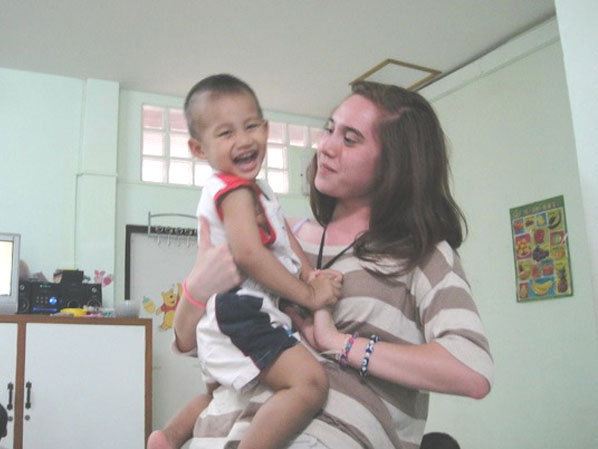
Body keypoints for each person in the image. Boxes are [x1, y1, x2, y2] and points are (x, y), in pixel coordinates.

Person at [172, 80, 495, 449]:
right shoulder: (277, 236)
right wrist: (195, 291)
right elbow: (193, 343)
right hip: (217, 435)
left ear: (395, 163)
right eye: (330, 130)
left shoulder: (422, 255)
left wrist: (337, 343)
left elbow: (471, 370)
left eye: (350, 138)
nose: (325, 146)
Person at [148, 74, 342, 449]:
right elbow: (250, 256)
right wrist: (309, 294)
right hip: (243, 309)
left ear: (266, 129)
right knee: (309, 383)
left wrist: (307, 270)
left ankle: (169, 437)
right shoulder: (233, 191)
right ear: (198, 148)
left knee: (220, 393)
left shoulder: (259, 189)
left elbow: (281, 236)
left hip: (232, 312)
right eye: (225, 133)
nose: (243, 140)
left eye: (251, 126)